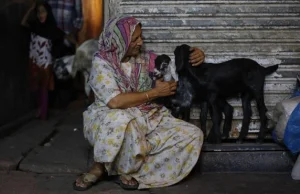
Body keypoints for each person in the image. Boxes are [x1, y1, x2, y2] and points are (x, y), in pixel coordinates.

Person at [73, 15, 205, 191]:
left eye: (140, 37)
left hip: (148, 117)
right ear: (119, 41)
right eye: (134, 39)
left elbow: (172, 79)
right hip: (109, 121)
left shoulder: (147, 59)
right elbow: (115, 101)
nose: (140, 42)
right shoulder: (102, 63)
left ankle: (131, 170)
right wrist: (155, 92)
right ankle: (98, 167)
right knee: (121, 118)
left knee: (193, 134)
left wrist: (192, 57)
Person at [21, 0, 72, 119]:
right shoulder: (34, 26)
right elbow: (23, 23)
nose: (41, 15)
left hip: (46, 62)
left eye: (43, 12)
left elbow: (65, 36)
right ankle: (41, 109)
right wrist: (30, 9)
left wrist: (78, 44)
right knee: (37, 85)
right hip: (34, 60)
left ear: (48, 13)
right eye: (38, 12)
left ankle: (43, 113)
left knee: (45, 86)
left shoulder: (52, 29)